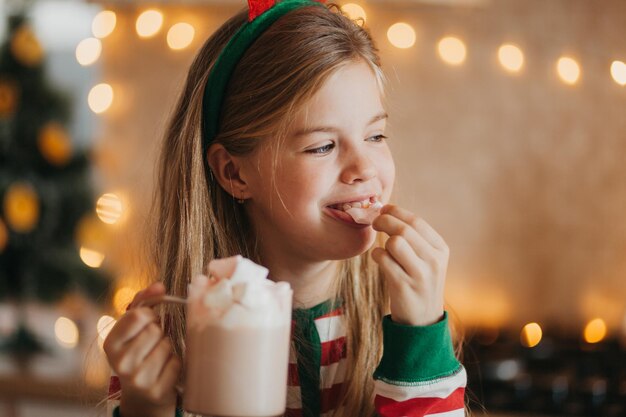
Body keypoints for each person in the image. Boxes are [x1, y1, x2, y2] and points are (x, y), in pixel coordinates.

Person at [102, 0, 467, 416]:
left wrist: (420, 339)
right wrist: (148, 409)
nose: (365, 168)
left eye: (376, 136)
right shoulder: (171, 335)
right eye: (322, 146)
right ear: (234, 173)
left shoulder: (404, 316)